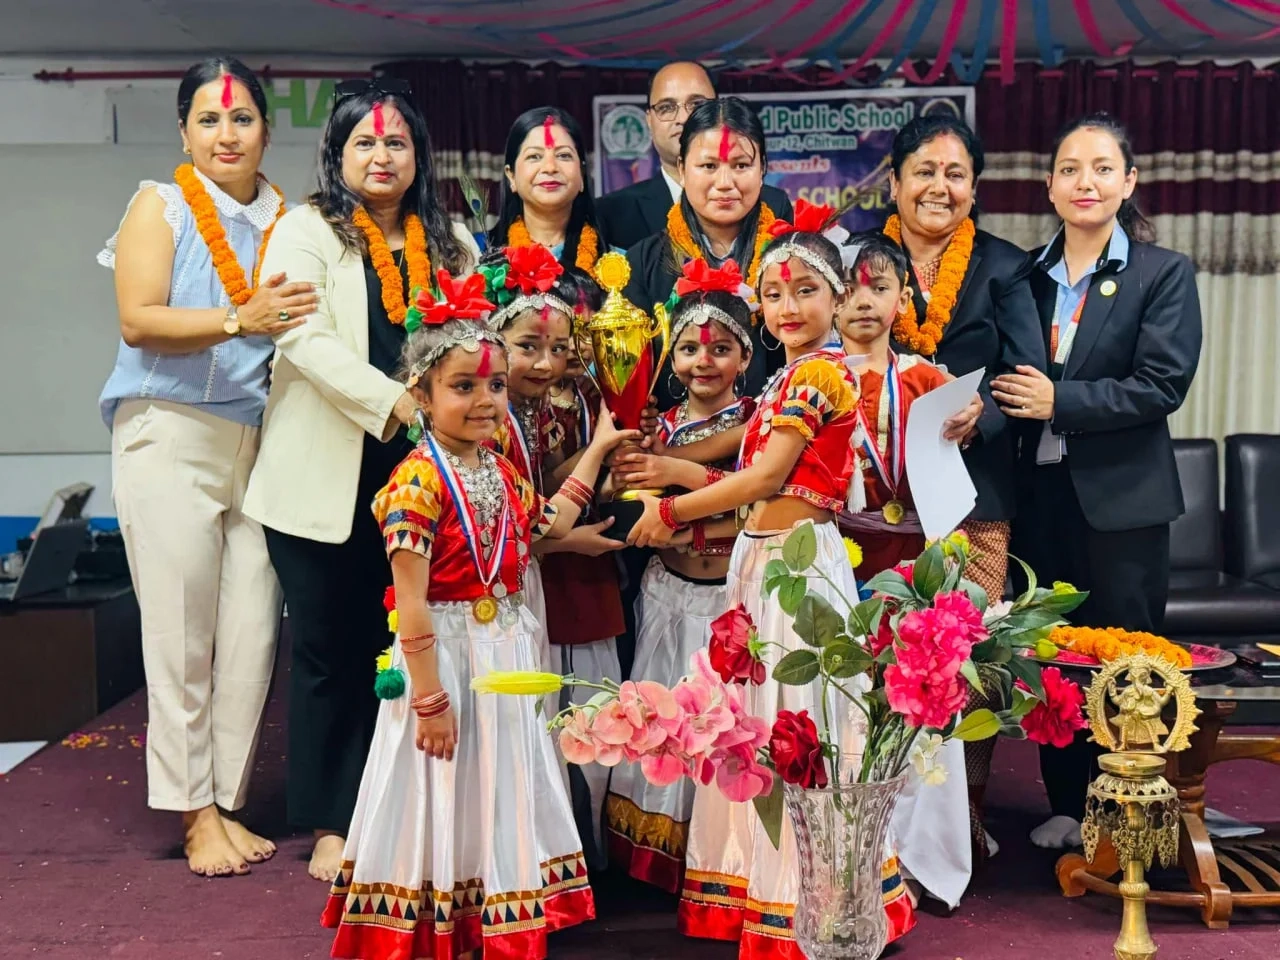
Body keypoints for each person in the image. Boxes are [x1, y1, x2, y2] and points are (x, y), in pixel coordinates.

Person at [322, 284, 638, 959]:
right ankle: (443, 927)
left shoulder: (500, 469)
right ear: (422, 395)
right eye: (463, 386)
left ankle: (492, 921)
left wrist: (596, 450)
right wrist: (429, 701)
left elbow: (548, 524)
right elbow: (410, 602)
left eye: (494, 385)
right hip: (446, 655)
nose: (485, 400)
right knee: (445, 782)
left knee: (498, 780)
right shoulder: (416, 482)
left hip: (505, 650)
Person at [627, 229, 915, 956]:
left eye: (806, 291)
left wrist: (671, 512)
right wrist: (660, 468)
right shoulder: (784, 381)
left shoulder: (819, 376)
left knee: (798, 722)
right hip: (759, 564)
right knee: (755, 722)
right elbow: (741, 475)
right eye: (775, 293)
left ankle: (807, 901)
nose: (789, 306)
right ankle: (760, 887)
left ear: (839, 298)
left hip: (798, 571)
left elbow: (761, 480)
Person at [242, 78, 480, 882]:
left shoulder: (452, 240)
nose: (382, 156)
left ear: (420, 155)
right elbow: (300, 338)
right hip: (326, 471)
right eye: (365, 143)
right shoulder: (305, 229)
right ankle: (333, 822)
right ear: (337, 154)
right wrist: (400, 403)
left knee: (414, 640)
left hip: (426, 473)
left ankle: (411, 810)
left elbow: (471, 339)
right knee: (329, 648)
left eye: (397, 142)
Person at [97, 56, 316, 878]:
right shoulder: (160, 205)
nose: (227, 135)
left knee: (254, 629)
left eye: (243, 119)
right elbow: (137, 319)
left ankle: (226, 800)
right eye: (209, 120)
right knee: (181, 632)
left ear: (267, 129)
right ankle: (193, 814)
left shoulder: (289, 220)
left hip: (259, 442)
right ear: (184, 133)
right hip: (169, 429)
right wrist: (237, 318)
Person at [995, 112, 1201, 850]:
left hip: (1123, 504)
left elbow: (1162, 383)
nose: (1087, 181)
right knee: (1053, 656)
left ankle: (1132, 812)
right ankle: (1064, 803)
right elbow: (1001, 376)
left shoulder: (1162, 273)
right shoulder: (1021, 277)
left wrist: (1062, 400)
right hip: (1039, 497)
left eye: (1103, 168)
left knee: (1130, 662)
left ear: (1128, 182)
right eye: (1071, 169)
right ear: (1050, 186)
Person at [882, 115, 1045, 860]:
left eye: (955, 174)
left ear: (974, 188)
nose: (939, 187)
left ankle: (963, 818)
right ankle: (881, 816)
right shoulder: (861, 261)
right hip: (880, 500)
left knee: (971, 660)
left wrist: (984, 416)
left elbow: (1024, 375)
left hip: (976, 497)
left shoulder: (1006, 267)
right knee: (883, 651)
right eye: (924, 170)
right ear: (894, 181)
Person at [604, 259, 755, 892]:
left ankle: (721, 860)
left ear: (745, 356)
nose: (703, 362)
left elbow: (754, 505)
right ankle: (654, 861)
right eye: (689, 348)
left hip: (728, 599)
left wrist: (679, 504)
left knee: (720, 727)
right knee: (660, 721)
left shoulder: (759, 425)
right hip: (666, 594)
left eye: (720, 349)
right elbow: (627, 499)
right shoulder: (656, 424)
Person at [479, 243, 623, 869]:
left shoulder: (559, 401)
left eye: (560, 348)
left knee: (573, 718)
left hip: (548, 581)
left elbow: (538, 492)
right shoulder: (486, 417)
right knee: (525, 723)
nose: (545, 362)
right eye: (528, 346)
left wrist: (608, 466)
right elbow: (525, 524)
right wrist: (596, 461)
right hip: (503, 589)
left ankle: (571, 858)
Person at [625, 96, 791, 410]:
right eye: (709, 166)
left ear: (763, 169)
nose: (725, 183)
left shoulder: (791, 259)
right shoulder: (642, 264)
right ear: (682, 169)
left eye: (741, 165)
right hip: (671, 436)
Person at [835, 234, 981, 578]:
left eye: (879, 288)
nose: (863, 301)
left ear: (903, 300)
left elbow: (954, 445)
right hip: (840, 546)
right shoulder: (817, 376)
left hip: (919, 548)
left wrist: (969, 417)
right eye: (847, 289)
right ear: (829, 298)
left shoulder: (927, 378)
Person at [596, 61, 792, 250]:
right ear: (649, 120)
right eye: (666, 107)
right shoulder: (613, 213)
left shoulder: (773, 205)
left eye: (697, 104)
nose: (683, 118)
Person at [489, 107, 606, 273]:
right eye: (534, 156)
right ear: (511, 176)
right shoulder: (481, 258)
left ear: (582, 174)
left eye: (563, 155)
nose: (550, 167)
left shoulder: (615, 267)